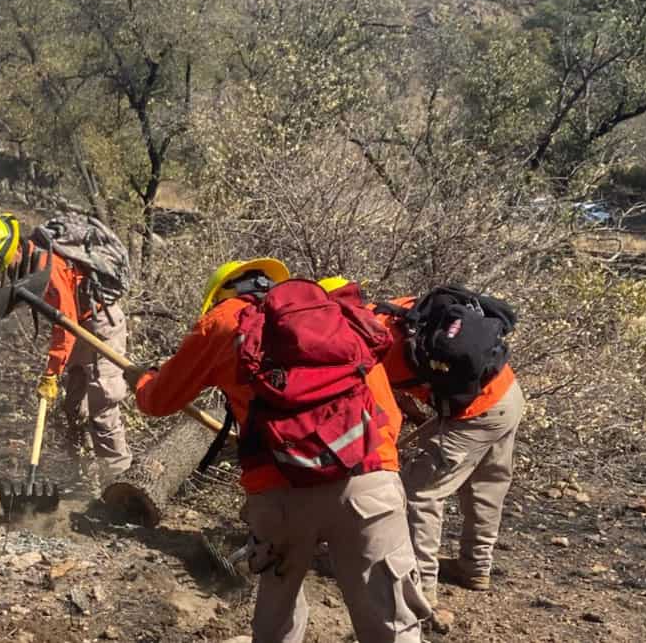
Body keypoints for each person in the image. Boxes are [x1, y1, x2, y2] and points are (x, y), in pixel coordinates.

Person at [133, 260, 430, 643]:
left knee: (278, 619)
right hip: (371, 480)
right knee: (393, 623)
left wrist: (141, 380)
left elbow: (158, 401)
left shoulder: (224, 322)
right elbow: (387, 414)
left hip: (281, 499)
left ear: (221, 295)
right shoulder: (334, 316)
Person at [321, 277, 525, 608]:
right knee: (486, 485)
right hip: (508, 394)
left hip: (474, 413)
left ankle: (419, 585)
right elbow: (408, 381)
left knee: (420, 492)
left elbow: (384, 414)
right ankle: (475, 568)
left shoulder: (367, 344)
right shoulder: (394, 311)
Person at [0, 213, 133, 481]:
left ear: (12, 250)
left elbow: (64, 325)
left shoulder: (49, 265)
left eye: (0, 264)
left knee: (103, 402)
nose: (2, 271)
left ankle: (119, 478)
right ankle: (83, 473)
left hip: (101, 326)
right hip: (82, 326)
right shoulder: (28, 257)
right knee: (73, 406)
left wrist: (51, 372)